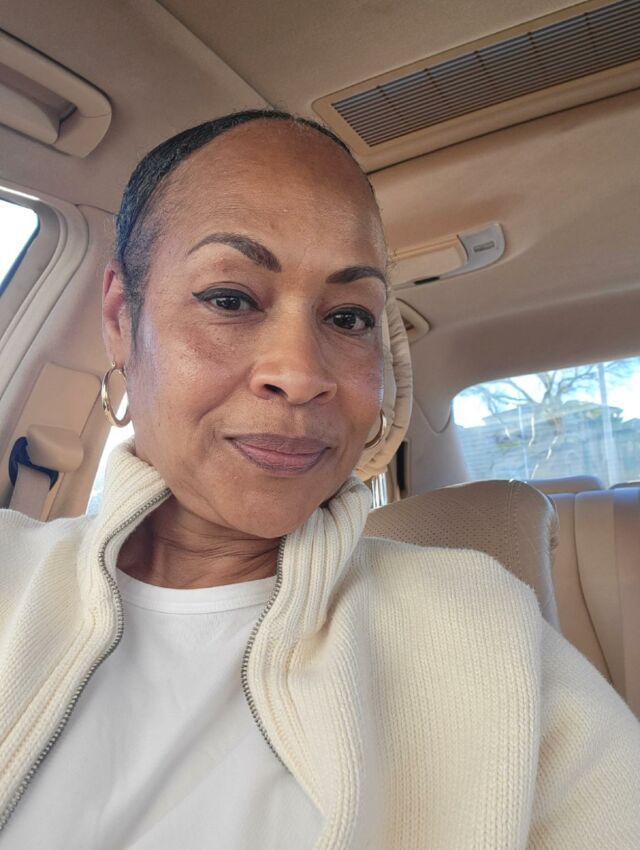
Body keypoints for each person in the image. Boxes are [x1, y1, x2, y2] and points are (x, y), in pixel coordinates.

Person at [0, 110, 638, 849]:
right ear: (120, 320)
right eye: (230, 299)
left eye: (348, 317)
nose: (301, 374)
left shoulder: (488, 631)